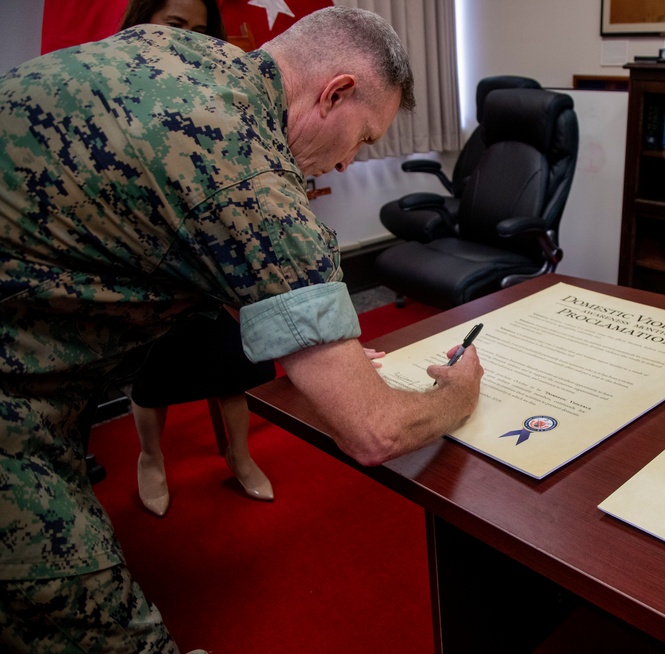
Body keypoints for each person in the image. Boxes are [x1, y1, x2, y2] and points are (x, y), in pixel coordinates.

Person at [0, 7, 483, 652]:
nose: (345, 165)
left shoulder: (173, 54)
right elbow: (373, 432)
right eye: (362, 139)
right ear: (333, 93)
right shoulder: (250, 180)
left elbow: (171, 227)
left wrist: (318, 344)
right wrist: (458, 395)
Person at [116, 0, 278, 517]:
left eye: (200, 31)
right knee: (153, 374)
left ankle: (239, 454)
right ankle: (151, 460)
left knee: (230, 362)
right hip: (143, 254)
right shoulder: (114, 80)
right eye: (175, 24)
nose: (187, 39)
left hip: (206, 251)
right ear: (144, 20)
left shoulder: (211, 87)